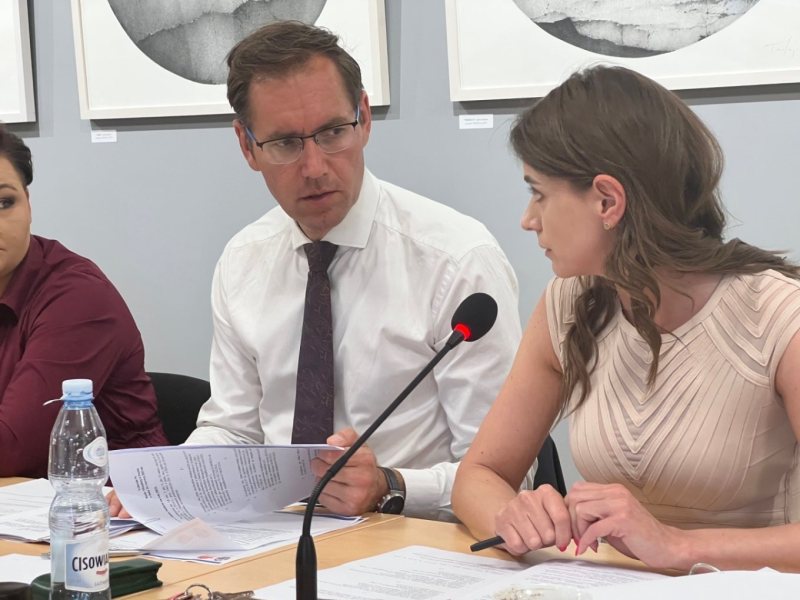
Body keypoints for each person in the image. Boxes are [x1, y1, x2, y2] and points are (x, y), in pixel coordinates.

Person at [108, 21, 521, 521]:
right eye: (285, 143)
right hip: (274, 534)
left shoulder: (454, 260)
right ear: (246, 146)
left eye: (332, 133)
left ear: (363, 118)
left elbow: (502, 474)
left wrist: (390, 485)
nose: (315, 167)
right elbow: (234, 430)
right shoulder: (244, 260)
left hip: (409, 535)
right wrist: (171, 483)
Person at [452, 65, 800, 571]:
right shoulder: (567, 302)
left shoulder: (779, 315)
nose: (528, 220)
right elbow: (478, 475)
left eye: (539, 193)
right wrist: (512, 515)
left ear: (607, 200)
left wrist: (679, 546)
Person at [0, 125, 169, 477]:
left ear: (28, 204)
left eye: (4, 203)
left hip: (110, 498)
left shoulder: (77, 296)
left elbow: (11, 450)